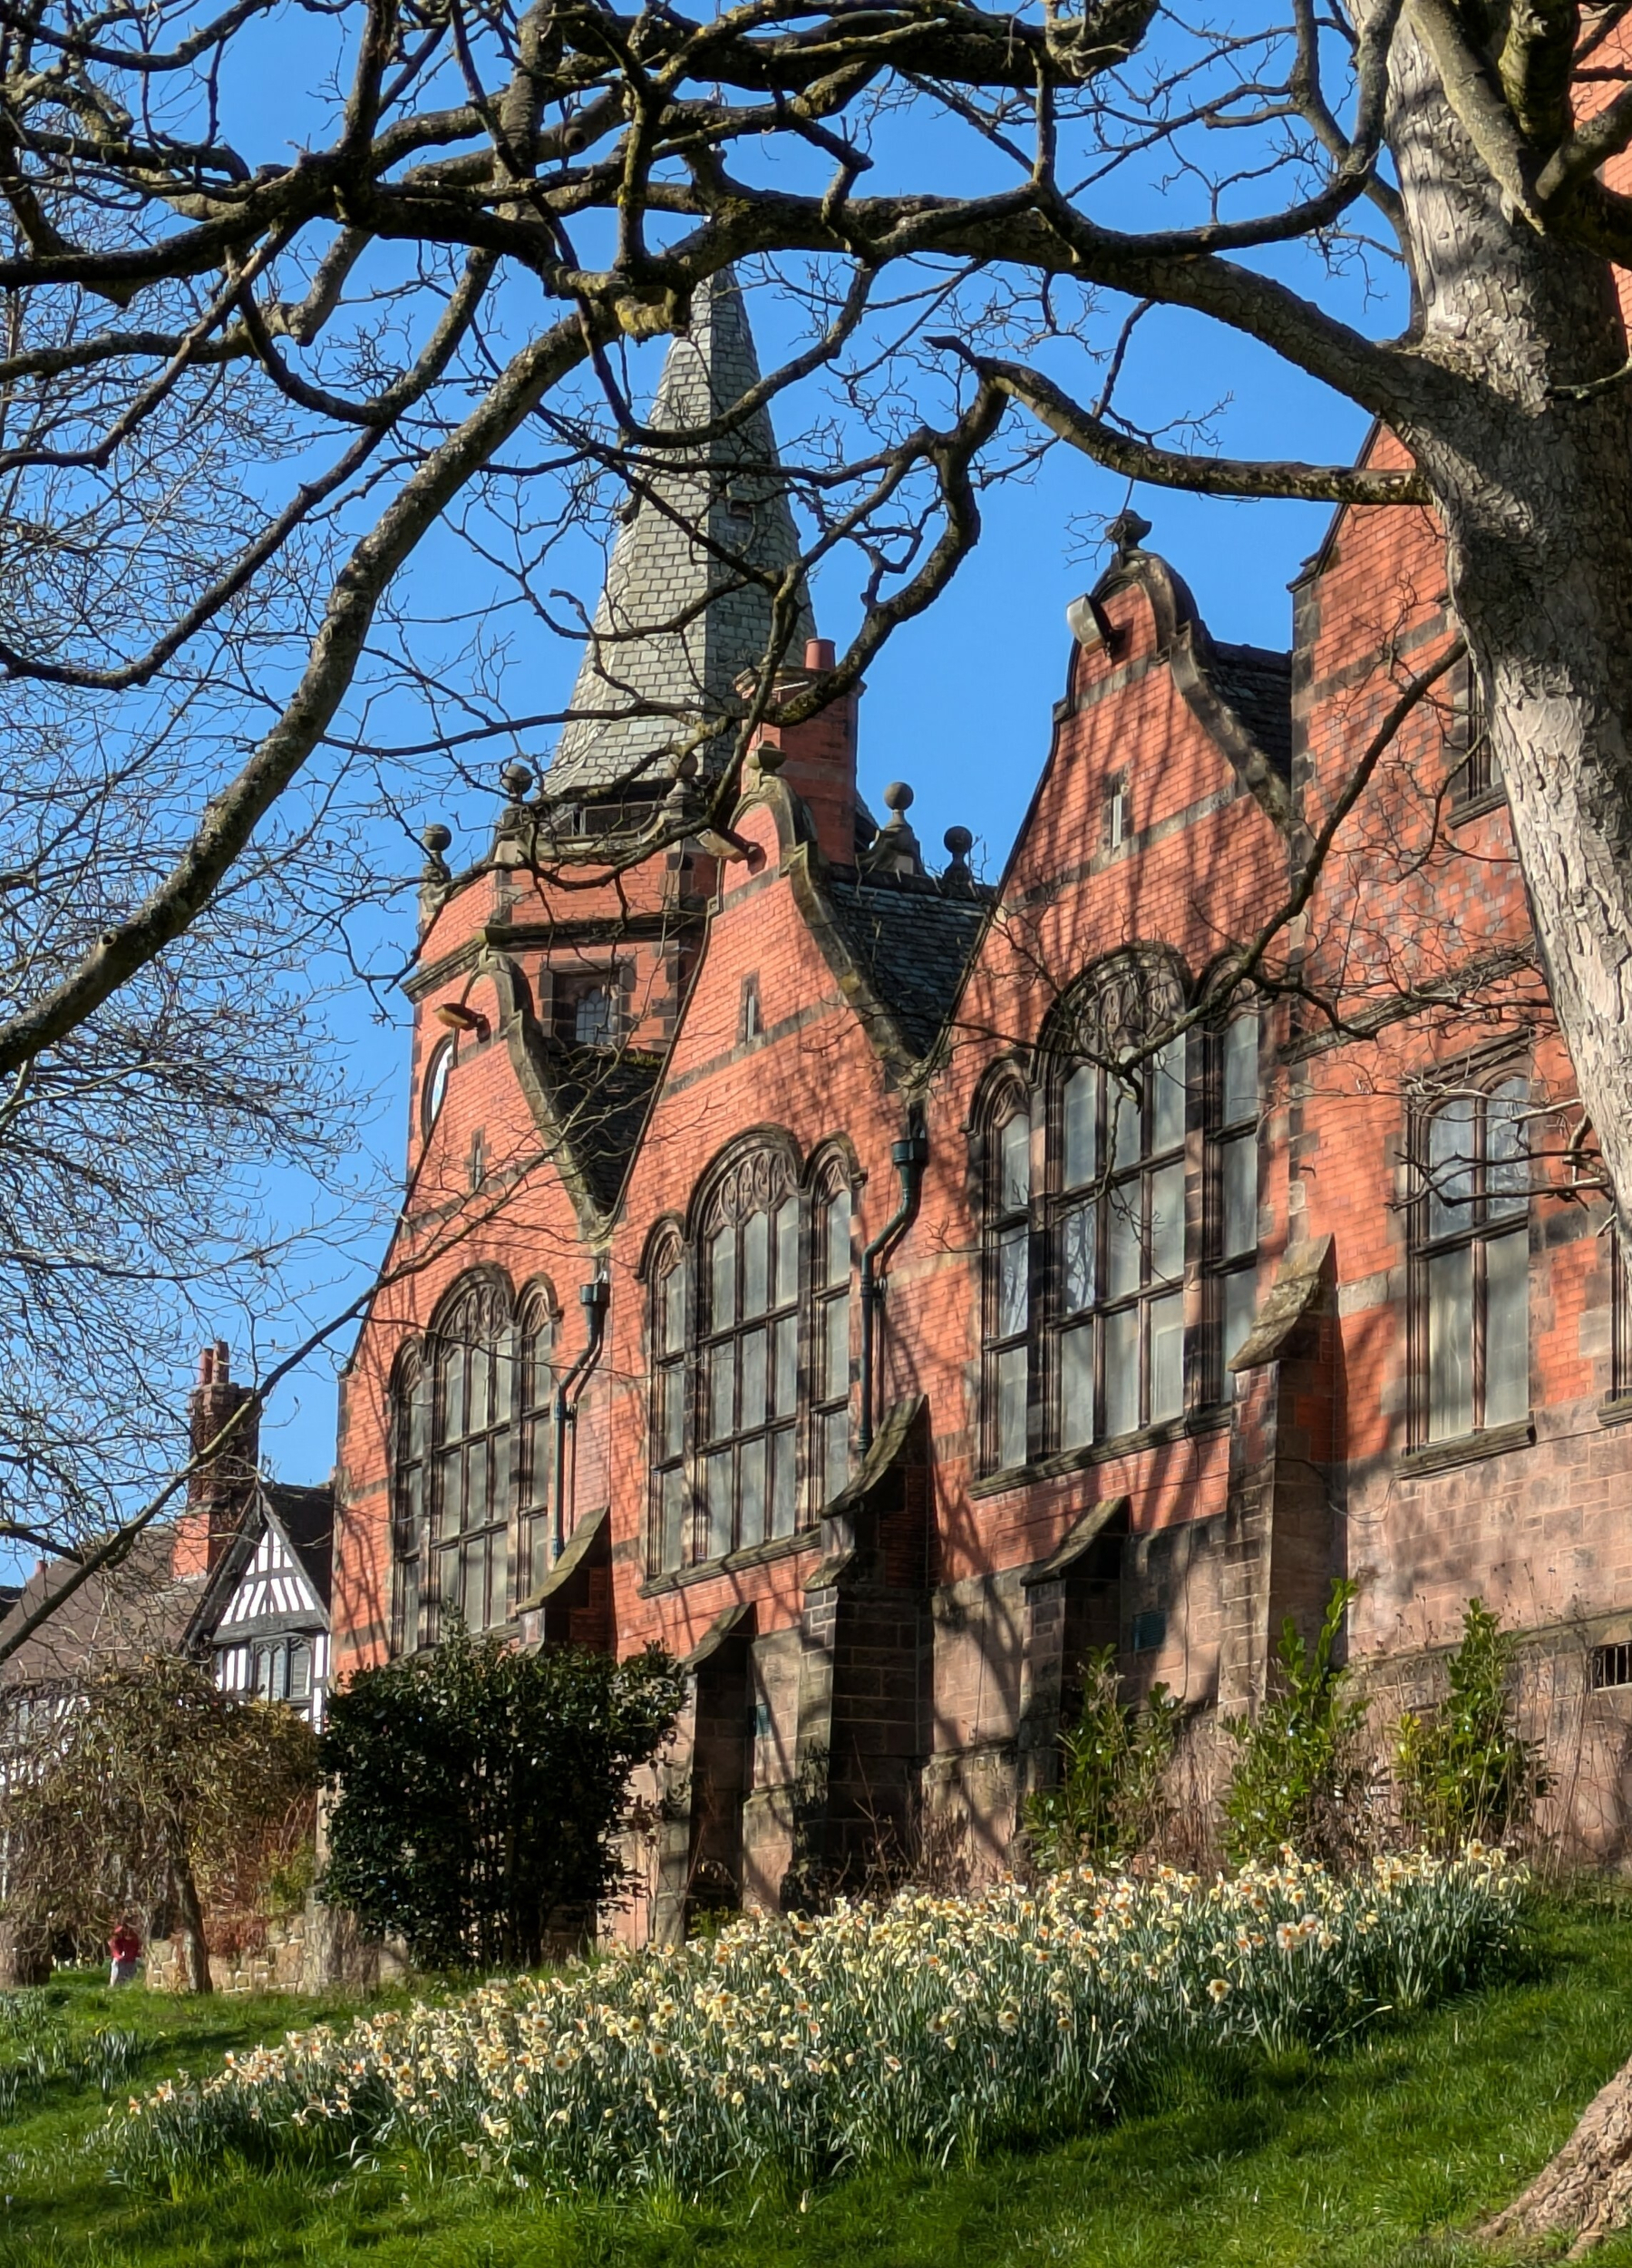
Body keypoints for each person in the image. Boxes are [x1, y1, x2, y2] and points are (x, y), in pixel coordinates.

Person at [108, 1919, 141, 1986]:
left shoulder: (134, 1937)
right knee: (117, 1971)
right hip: (120, 1960)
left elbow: (136, 1948)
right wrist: (118, 1956)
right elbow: (113, 1946)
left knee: (130, 1977)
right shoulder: (115, 1938)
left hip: (130, 1960)